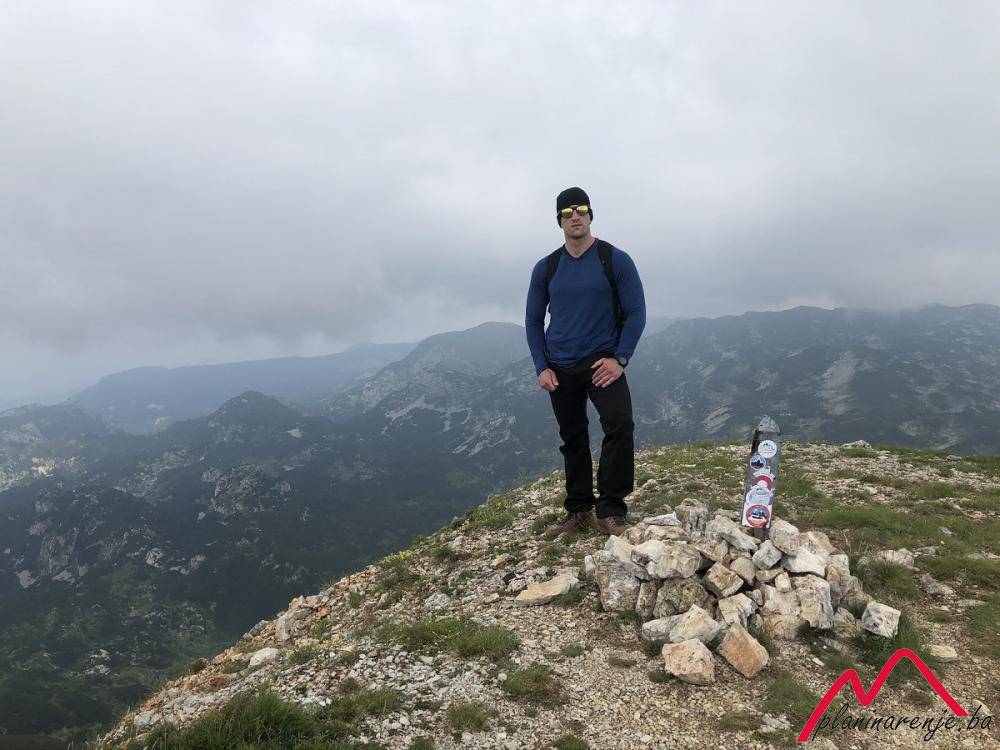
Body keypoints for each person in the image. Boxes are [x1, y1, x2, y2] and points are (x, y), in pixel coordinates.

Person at [525, 187, 646, 539]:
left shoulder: (614, 259)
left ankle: (611, 510)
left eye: (580, 209)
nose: (574, 216)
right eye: (567, 212)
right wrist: (541, 367)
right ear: (559, 221)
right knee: (573, 436)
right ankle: (578, 511)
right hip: (559, 364)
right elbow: (533, 320)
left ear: (590, 215)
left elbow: (637, 312)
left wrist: (620, 358)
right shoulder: (546, 268)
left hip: (601, 362)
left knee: (619, 424)